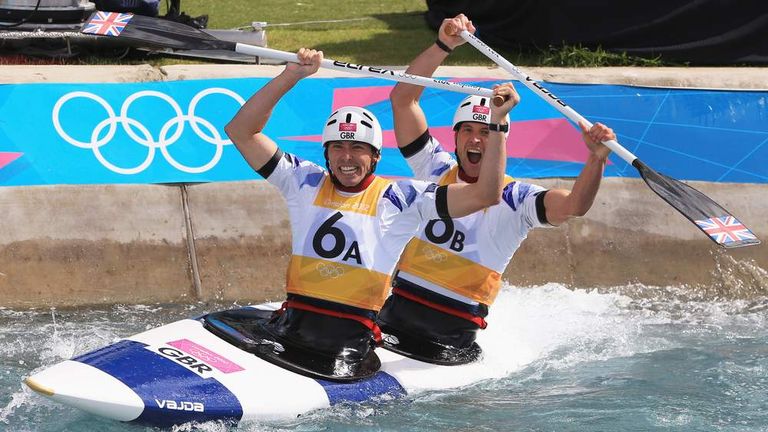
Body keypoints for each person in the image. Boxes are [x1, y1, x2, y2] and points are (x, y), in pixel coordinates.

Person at [223, 47, 519, 381]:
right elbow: (241, 131)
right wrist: (291, 75)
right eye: (338, 147)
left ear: (375, 157)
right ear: (326, 153)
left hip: (346, 353)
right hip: (290, 331)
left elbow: (486, 194)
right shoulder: (302, 181)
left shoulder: (402, 198)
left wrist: (497, 125)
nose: (346, 157)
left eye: (358, 148)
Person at [377, 14, 617, 365]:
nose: (476, 139)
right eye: (468, 131)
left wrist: (595, 159)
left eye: (486, 132)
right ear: (455, 138)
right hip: (393, 316)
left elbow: (574, 206)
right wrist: (443, 45)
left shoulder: (517, 199)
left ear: (500, 137)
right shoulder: (435, 169)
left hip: (450, 337)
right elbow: (403, 100)